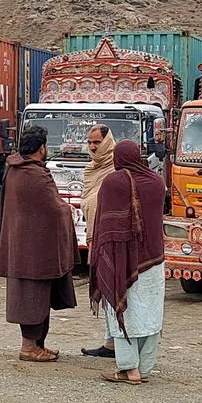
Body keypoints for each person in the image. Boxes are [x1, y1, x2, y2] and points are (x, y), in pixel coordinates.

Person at [90, 139, 167, 385]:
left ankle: (128, 369)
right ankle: (144, 369)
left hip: (122, 260)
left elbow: (106, 223)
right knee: (150, 314)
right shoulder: (157, 182)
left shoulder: (114, 183)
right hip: (154, 261)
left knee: (121, 310)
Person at [0, 126, 76, 362]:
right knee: (32, 298)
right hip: (34, 250)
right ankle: (29, 347)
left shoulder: (13, 170)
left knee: (38, 296)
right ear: (42, 148)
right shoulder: (34, 174)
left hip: (22, 246)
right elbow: (54, 207)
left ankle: (38, 344)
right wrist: (67, 209)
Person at [80, 124, 118, 359]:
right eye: (90, 143)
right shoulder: (91, 170)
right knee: (105, 291)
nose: (93, 147)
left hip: (110, 240)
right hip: (96, 236)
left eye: (97, 143)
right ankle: (110, 341)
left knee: (113, 290)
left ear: (107, 142)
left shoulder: (116, 170)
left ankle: (116, 343)